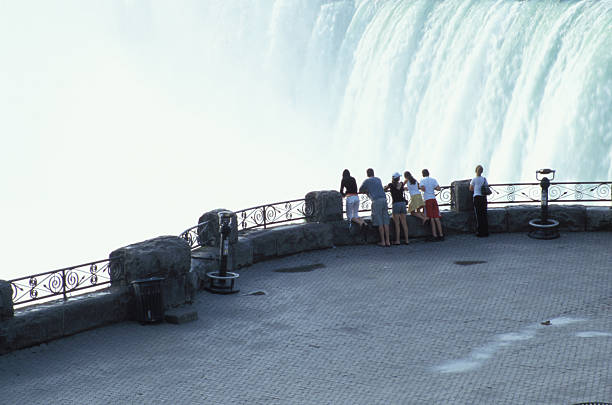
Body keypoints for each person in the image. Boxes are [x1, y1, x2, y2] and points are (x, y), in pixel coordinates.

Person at [359, 168, 391, 247]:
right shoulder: (378, 179)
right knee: (385, 222)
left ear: (367, 174)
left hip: (376, 201)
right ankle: (388, 241)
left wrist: (367, 192)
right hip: (384, 199)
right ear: (373, 173)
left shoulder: (367, 181)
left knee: (380, 222)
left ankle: (383, 242)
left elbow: (360, 190)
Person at [384, 172, 410, 245]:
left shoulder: (391, 185)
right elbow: (406, 181)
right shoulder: (401, 184)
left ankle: (398, 241)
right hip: (403, 204)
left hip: (396, 204)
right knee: (404, 223)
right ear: (398, 178)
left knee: (397, 224)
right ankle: (407, 240)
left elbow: (384, 189)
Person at [419, 169, 444, 241]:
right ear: (428, 173)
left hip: (427, 199)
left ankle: (435, 235)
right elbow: (438, 188)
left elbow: (423, 189)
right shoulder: (433, 180)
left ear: (422, 174)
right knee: (437, 217)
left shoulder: (422, 180)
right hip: (433, 199)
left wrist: (421, 188)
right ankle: (441, 235)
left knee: (431, 218)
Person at [469, 165, 490, 237]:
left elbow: (471, 189)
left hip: (477, 197)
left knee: (478, 215)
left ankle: (480, 232)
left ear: (476, 171)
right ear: (482, 171)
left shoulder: (474, 179)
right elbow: (487, 186)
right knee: (484, 214)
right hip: (483, 198)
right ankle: (486, 231)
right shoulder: (484, 179)